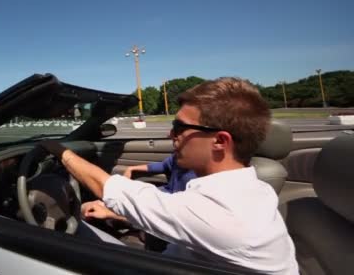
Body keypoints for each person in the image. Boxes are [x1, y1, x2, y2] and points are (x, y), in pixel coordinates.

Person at [40, 77, 298, 274]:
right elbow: (177, 212)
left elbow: (109, 188)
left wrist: (58, 150)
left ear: (220, 141)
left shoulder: (224, 214)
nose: (170, 135)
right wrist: (117, 213)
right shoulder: (251, 189)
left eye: (179, 127)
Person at [123, 154, 196, 193]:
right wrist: (131, 168)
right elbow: (163, 165)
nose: (169, 135)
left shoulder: (203, 173)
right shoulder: (177, 156)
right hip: (167, 191)